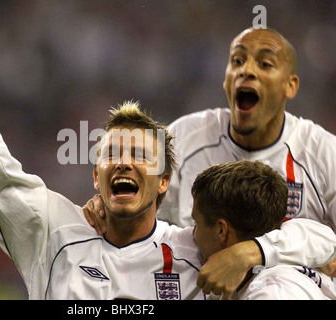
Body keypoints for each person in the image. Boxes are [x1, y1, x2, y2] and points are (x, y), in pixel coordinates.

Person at [0, 10, 336, 300]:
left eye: (140, 155)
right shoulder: (51, 231)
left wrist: (250, 253)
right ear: (96, 176)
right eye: (114, 153)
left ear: (165, 183)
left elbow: (315, 242)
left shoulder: (201, 248)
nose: (125, 162)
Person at [83, 27, 336, 278]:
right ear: (225, 79)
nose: (246, 71)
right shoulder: (187, 137)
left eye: (265, 64)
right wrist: (108, 205)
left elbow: (327, 243)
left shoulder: (324, 154)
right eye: (237, 61)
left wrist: (250, 253)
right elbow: (141, 213)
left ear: (290, 86)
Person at [191, 160, 336, 299]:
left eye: (196, 223)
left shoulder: (274, 291)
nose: (192, 232)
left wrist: (243, 255)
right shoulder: (289, 248)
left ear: (221, 230)